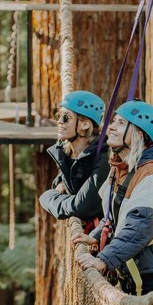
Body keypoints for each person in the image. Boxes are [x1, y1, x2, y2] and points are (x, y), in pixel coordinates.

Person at [73, 100, 153, 296]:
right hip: (133, 268)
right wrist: (95, 236)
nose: (111, 127)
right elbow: (115, 216)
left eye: (121, 123)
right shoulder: (121, 168)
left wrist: (103, 259)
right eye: (113, 121)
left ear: (138, 134)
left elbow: (139, 225)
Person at [38, 91, 109, 224]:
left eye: (66, 117)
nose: (59, 121)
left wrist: (48, 197)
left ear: (85, 124)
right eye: (58, 116)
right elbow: (70, 175)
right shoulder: (67, 151)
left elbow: (83, 207)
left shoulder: (105, 157)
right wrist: (59, 183)